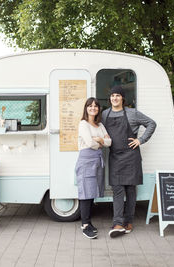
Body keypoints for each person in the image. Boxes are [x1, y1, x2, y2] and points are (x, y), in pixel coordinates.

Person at [102, 85, 156, 238]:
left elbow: (152, 124)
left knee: (130, 191)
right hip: (115, 157)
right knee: (117, 190)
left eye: (118, 96)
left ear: (123, 98)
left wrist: (141, 140)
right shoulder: (105, 114)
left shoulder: (132, 113)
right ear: (110, 98)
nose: (115, 98)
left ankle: (129, 221)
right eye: (113, 96)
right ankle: (118, 222)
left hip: (131, 157)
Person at [75, 97, 112, 239]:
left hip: (96, 160)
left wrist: (101, 140)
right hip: (86, 161)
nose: (93, 108)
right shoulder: (83, 124)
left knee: (91, 193)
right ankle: (85, 225)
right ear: (86, 108)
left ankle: (88, 222)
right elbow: (89, 143)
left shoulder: (100, 125)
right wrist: (100, 142)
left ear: (98, 109)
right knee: (86, 193)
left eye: (96, 106)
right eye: (90, 106)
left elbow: (110, 142)